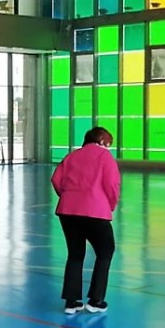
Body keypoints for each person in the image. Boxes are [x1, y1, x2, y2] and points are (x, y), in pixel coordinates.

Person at [51, 127, 120, 315]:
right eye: (108, 143)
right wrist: (110, 204)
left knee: (75, 254)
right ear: (102, 141)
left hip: (68, 211)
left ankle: (71, 302)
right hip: (95, 211)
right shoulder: (105, 157)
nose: (109, 147)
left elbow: (56, 179)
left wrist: (67, 196)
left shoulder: (72, 156)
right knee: (105, 251)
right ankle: (96, 300)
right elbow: (112, 184)